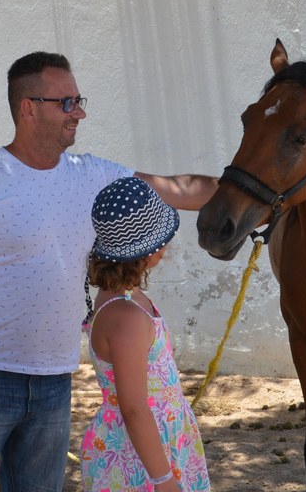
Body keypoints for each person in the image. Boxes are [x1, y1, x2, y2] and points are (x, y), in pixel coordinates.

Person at [0, 51, 217, 491]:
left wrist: (261, 191)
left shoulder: (92, 175)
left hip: (55, 381)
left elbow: (177, 189)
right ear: (28, 108)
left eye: (79, 100)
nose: (80, 112)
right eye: (67, 102)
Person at [81, 177, 211, 492]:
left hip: (157, 440)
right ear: (149, 250)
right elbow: (134, 408)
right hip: (139, 457)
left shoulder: (124, 295)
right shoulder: (126, 318)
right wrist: (163, 480)